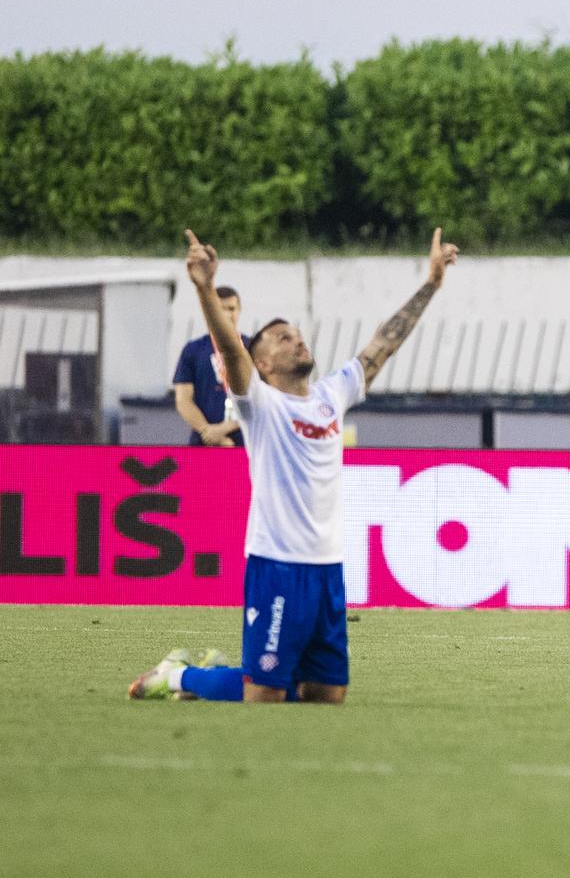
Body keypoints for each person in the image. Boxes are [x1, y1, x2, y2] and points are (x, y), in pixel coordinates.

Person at [128, 227, 460, 702]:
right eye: (283, 339)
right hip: (277, 565)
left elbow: (383, 344)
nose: (297, 342)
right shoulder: (258, 403)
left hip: (327, 568)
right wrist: (205, 288)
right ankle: (179, 675)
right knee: (264, 693)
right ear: (261, 364)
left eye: (298, 336)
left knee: (326, 694)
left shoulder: (332, 394)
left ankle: (225, 673)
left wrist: (431, 284)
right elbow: (230, 350)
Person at [172, 284, 247, 447]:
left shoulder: (253, 348)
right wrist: (210, 432)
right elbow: (183, 400)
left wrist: (224, 429)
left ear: (239, 310)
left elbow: (264, 401)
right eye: (220, 310)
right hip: (205, 442)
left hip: (247, 443)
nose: (226, 315)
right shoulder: (193, 350)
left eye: (231, 309)